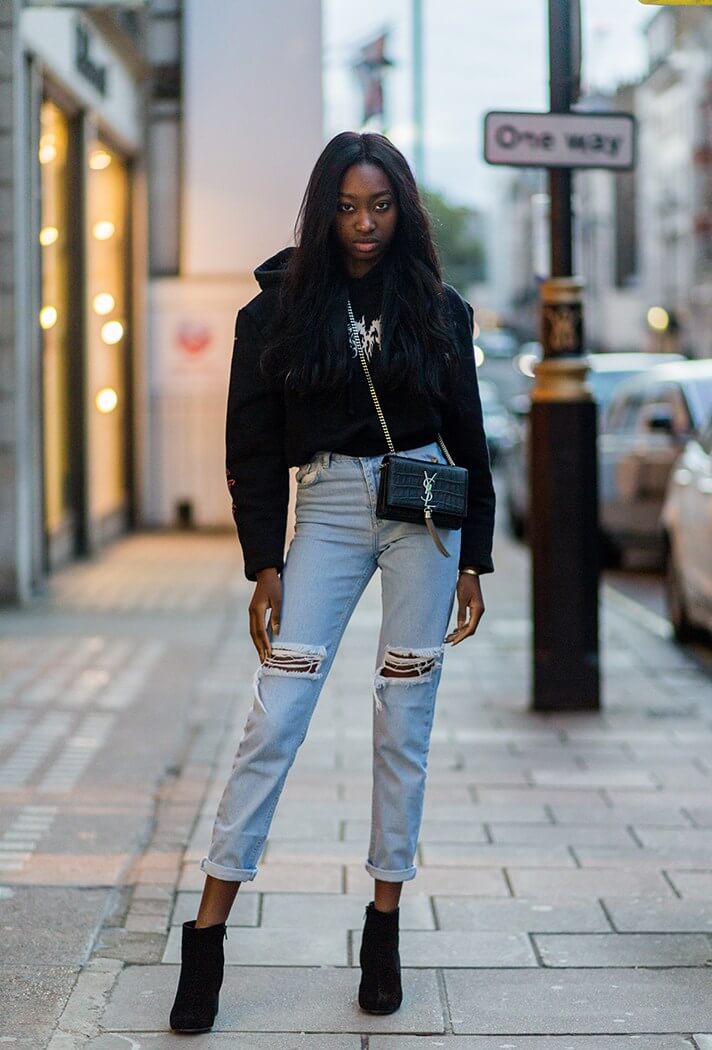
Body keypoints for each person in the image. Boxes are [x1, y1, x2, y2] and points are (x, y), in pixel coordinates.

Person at [169, 131, 495, 1033]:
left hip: (428, 513)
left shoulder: (438, 307)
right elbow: (254, 444)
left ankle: (383, 928)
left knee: (405, 723)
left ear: (404, 209)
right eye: (349, 207)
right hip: (330, 511)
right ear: (324, 209)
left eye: (381, 206)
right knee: (275, 717)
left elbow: (469, 434)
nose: (365, 224)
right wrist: (264, 561)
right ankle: (207, 936)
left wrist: (476, 556)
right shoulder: (274, 312)